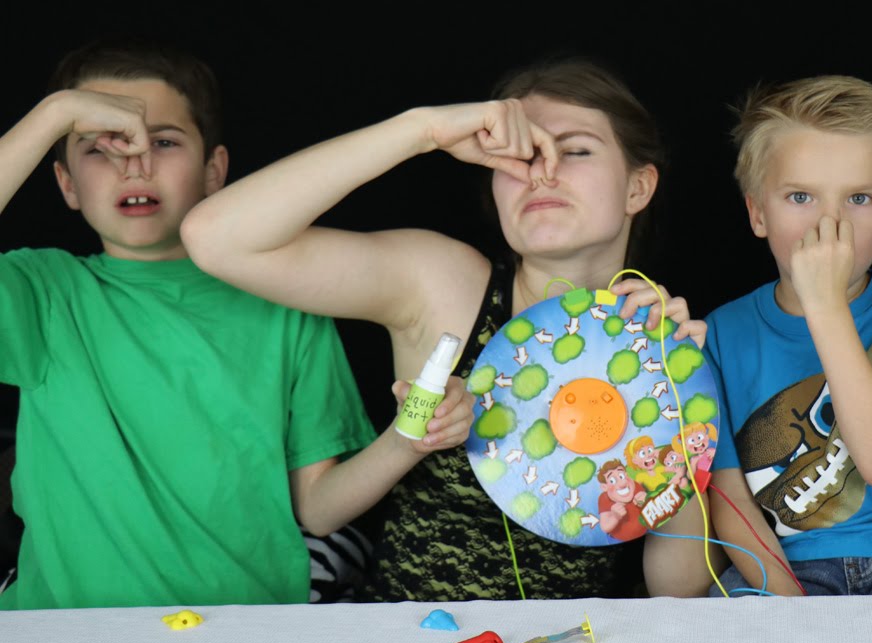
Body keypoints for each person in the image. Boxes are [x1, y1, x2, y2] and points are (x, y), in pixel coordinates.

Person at [182, 59, 713, 600]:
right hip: (409, 638)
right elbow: (214, 238)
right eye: (519, 155)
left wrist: (684, 412)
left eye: (575, 150)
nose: (542, 171)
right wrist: (424, 130)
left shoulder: (657, 343)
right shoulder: (443, 285)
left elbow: (681, 592)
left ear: (637, 187)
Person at [0, 40, 469, 610]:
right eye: (98, 147)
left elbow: (319, 509)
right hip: (66, 637)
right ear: (66, 183)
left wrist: (405, 440)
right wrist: (55, 113)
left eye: (163, 142)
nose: (134, 164)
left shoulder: (285, 302)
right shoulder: (41, 292)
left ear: (214, 170)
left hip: (243, 634)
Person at [700, 75, 872, 596]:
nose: (828, 221)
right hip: (789, 568)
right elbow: (730, 498)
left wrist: (825, 305)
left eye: (859, 198)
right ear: (757, 213)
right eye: (800, 196)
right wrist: (790, 605)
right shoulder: (721, 333)